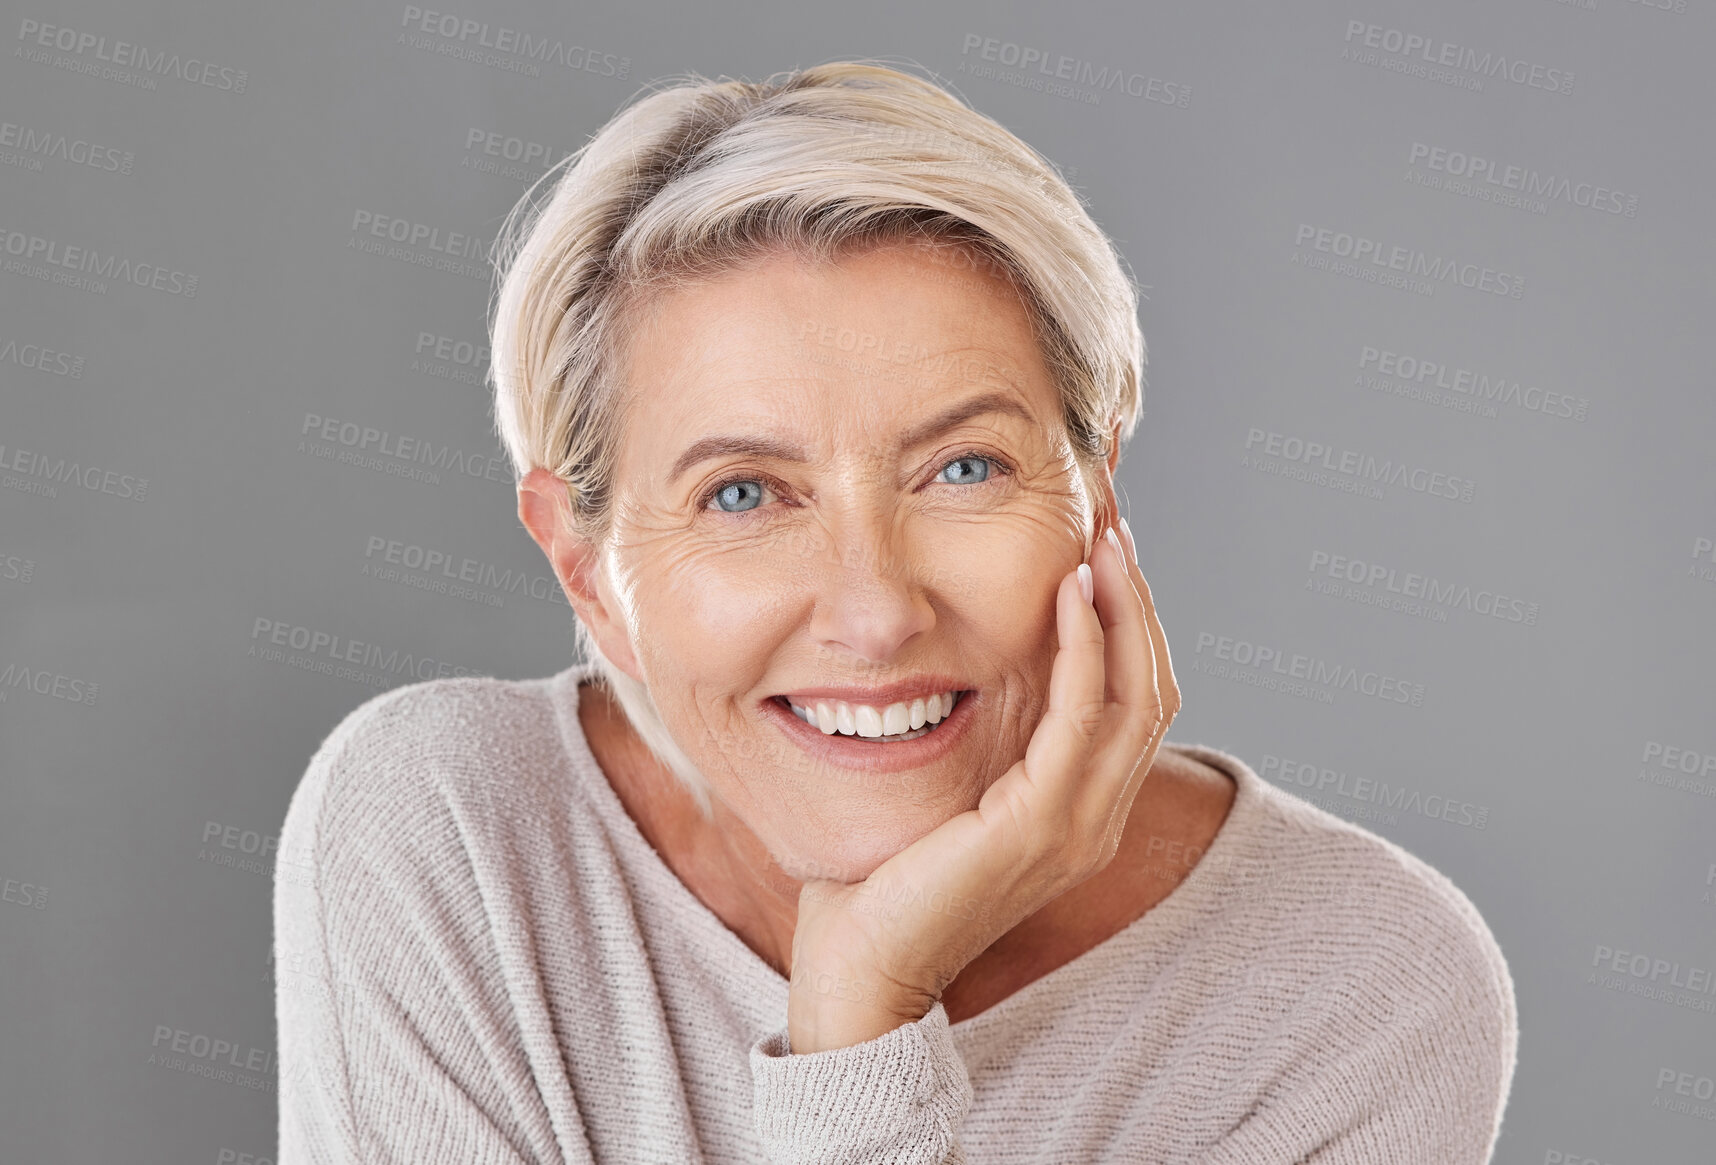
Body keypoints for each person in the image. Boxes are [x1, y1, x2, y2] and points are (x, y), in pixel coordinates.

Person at [274, 60, 1518, 1163]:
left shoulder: (1362, 990)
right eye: (745, 493)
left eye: (964, 469)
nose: (874, 614)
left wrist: (860, 1029)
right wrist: (863, 1037)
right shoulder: (453, 831)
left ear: (1100, 492)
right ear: (588, 569)